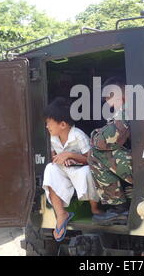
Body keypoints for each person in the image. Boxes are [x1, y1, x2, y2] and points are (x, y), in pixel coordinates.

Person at [42, 97, 102, 242]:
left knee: (87, 172)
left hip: (81, 169)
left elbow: (92, 159)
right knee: (50, 169)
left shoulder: (78, 135)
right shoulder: (52, 138)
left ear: (62, 124)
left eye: (49, 123)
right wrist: (60, 159)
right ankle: (61, 213)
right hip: (65, 170)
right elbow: (53, 157)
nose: (47, 126)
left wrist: (71, 155)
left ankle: (95, 208)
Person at [88, 77, 133, 225]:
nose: (108, 103)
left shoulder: (128, 109)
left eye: (109, 97)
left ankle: (119, 209)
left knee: (95, 154)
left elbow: (104, 141)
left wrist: (94, 135)